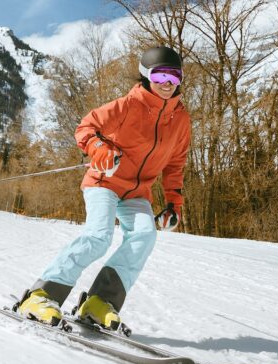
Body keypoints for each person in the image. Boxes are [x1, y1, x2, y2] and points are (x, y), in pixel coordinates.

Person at [17, 46, 191, 329]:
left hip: (137, 191)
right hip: (104, 181)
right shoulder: (126, 106)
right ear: (147, 76)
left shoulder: (181, 119)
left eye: (174, 77)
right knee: (99, 236)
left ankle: (99, 301)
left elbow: (176, 162)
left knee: (145, 236)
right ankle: (41, 295)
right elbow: (85, 128)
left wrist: (174, 202)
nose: (168, 84)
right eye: (160, 77)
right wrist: (99, 148)